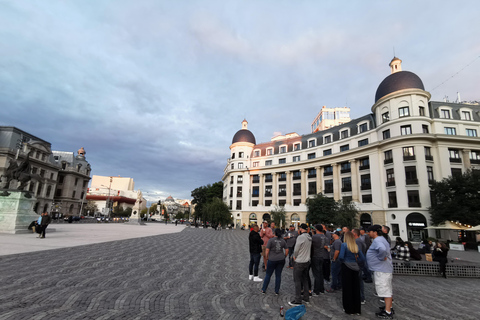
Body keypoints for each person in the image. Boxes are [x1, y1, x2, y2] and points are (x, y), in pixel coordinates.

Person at [366, 225, 393, 319]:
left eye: (369, 232)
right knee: (387, 289)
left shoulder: (378, 240)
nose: (368, 233)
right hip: (383, 269)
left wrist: (381, 258)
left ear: (375, 232)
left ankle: (388, 312)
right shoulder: (382, 239)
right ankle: (388, 307)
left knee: (385, 290)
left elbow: (382, 249)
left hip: (382, 270)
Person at [339, 231, 365, 315]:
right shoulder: (356, 246)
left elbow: (341, 256)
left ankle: (348, 308)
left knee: (347, 288)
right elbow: (362, 258)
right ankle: (357, 309)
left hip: (346, 267)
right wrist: (357, 262)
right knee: (356, 288)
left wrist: (343, 261)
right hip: (355, 267)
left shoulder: (344, 245)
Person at [288, 223, 312, 306]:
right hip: (307, 261)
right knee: (305, 279)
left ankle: (297, 299)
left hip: (300, 261)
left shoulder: (300, 237)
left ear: (301, 229)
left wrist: (294, 256)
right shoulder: (309, 237)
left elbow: (296, 249)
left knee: (297, 280)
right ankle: (306, 296)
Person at [261, 229, 288, 294]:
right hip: (281, 259)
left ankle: (264, 289)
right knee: (278, 275)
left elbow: (267, 250)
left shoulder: (271, 240)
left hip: (272, 259)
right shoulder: (283, 241)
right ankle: (276, 290)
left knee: (268, 275)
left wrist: (267, 257)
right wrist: (284, 256)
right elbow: (287, 250)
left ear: (274, 233)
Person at [311, 224, 327, 295]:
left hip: (315, 256)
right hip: (322, 255)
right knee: (321, 273)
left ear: (316, 229)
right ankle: (321, 289)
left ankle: (316, 290)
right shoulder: (324, 236)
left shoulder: (314, 237)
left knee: (316, 274)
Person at [353, 228, 367, 304]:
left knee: (358, 280)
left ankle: (361, 297)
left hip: (358, 263)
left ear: (354, 234)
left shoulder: (357, 241)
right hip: (359, 263)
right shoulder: (360, 240)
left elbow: (357, 253)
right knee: (359, 280)